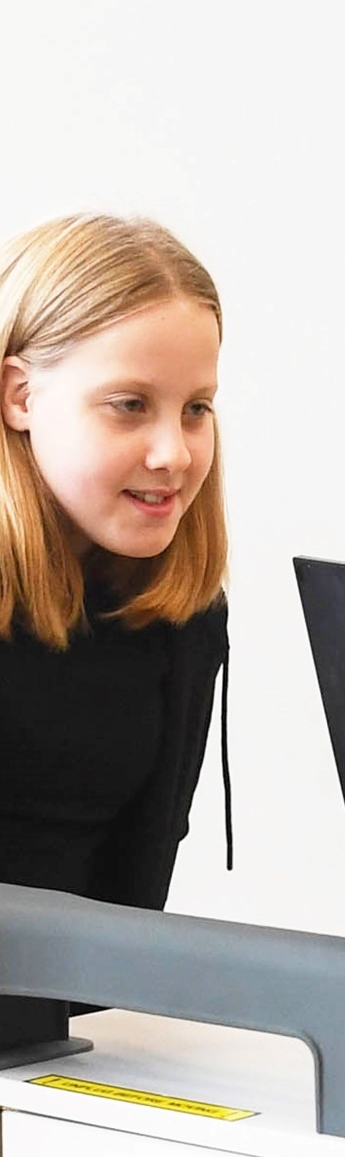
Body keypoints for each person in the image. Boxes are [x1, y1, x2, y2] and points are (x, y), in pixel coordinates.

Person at [0, 213, 228, 911]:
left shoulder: (185, 615)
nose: (176, 454)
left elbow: (132, 904)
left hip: (61, 1020)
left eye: (196, 408)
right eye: (129, 405)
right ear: (20, 396)